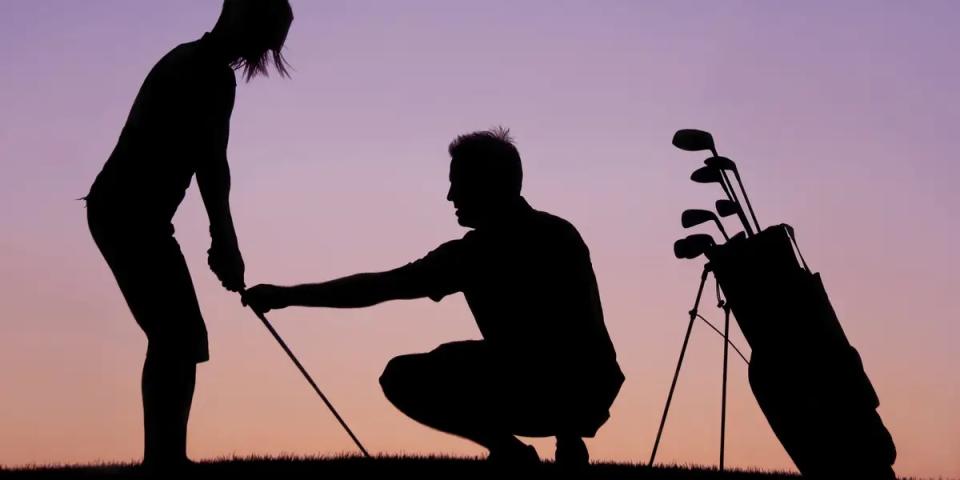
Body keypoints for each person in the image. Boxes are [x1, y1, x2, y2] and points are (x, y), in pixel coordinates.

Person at [242, 128, 625, 467]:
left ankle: (513, 451)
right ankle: (563, 441)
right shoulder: (559, 233)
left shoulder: (475, 254)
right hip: (591, 388)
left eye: (459, 183)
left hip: (553, 388)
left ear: (488, 185)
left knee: (404, 376)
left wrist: (285, 296)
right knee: (477, 356)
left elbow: (378, 287)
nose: (450, 195)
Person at [84, 0, 293, 470]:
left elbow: (207, 162)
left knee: (177, 335)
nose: (260, 52)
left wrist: (222, 239)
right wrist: (225, 239)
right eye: (265, 38)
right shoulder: (207, 73)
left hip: (136, 215)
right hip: (127, 213)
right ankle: (164, 461)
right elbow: (211, 163)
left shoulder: (194, 62)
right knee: (177, 335)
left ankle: (165, 458)